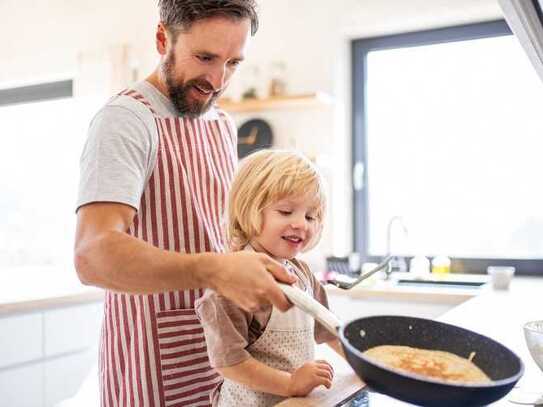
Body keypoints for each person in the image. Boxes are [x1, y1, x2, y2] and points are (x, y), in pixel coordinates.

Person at [74, 1, 296, 405]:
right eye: (205, 57)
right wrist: (214, 271)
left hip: (223, 362)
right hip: (152, 365)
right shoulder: (125, 119)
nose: (217, 79)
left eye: (233, 63)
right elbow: (93, 255)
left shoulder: (222, 125)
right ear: (163, 38)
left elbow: (224, 235)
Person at [195, 150, 345, 406]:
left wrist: (368, 366)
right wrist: (290, 383)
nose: (301, 224)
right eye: (286, 211)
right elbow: (229, 363)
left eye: (311, 216)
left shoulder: (304, 274)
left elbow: (331, 332)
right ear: (249, 210)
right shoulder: (233, 282)